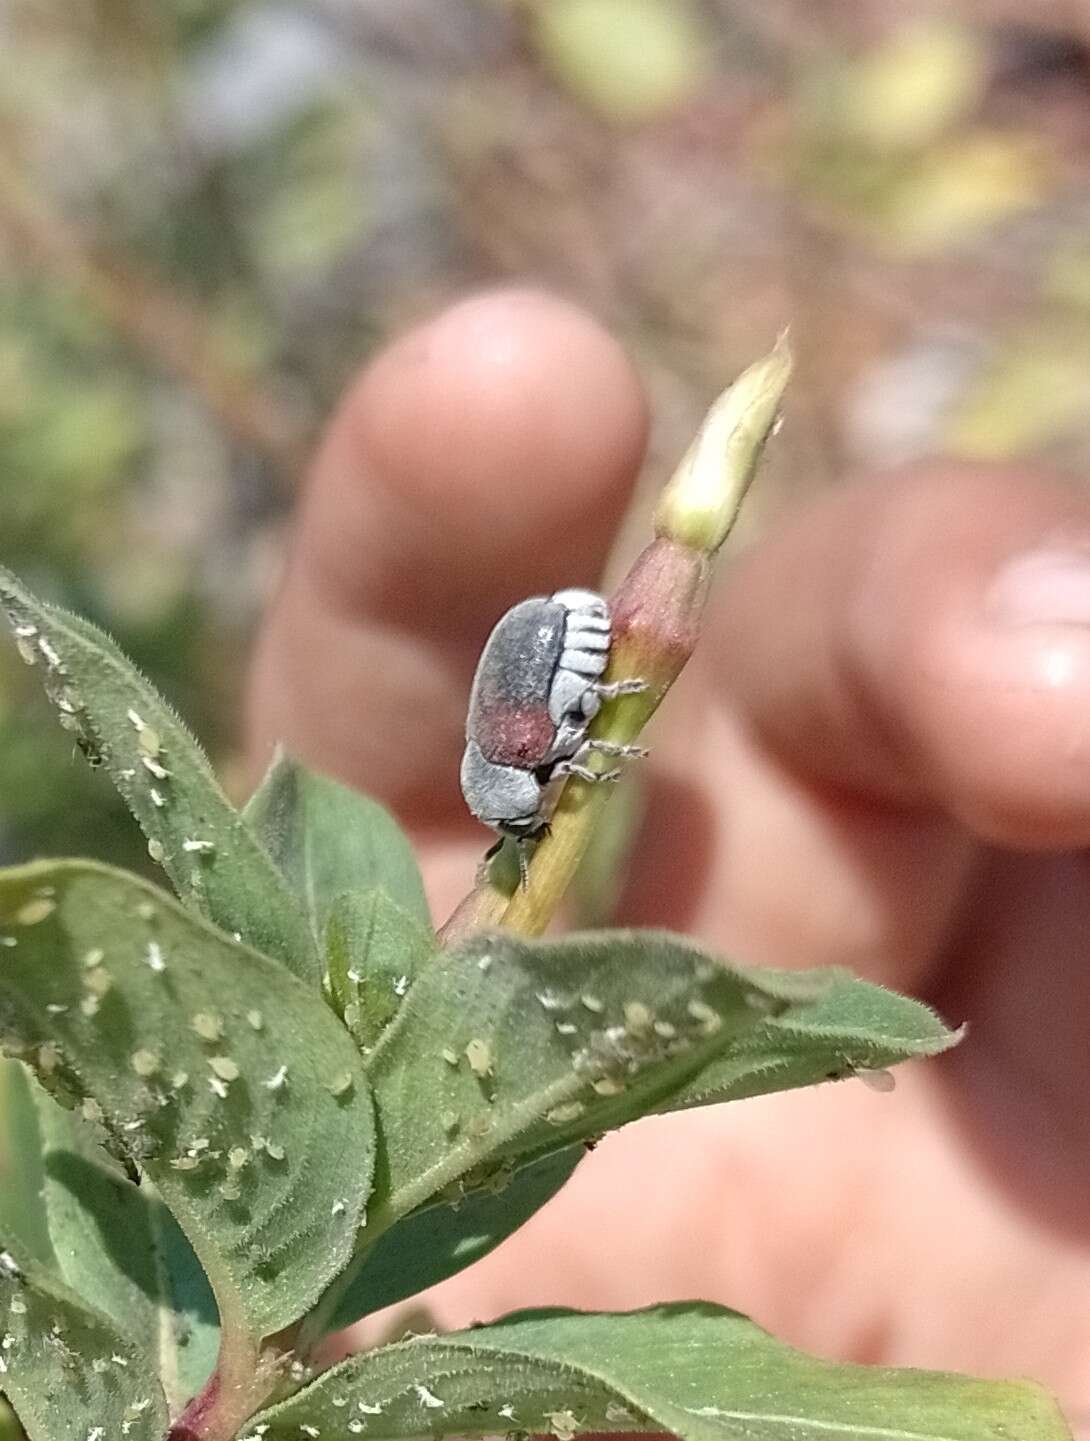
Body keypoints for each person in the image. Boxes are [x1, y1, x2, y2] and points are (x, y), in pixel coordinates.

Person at [247, 289, 1090, 1423]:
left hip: (563, 651)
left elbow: (561, 718)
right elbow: (566, 728)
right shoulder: (515, 771)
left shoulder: (519, 758)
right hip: (565, 655)